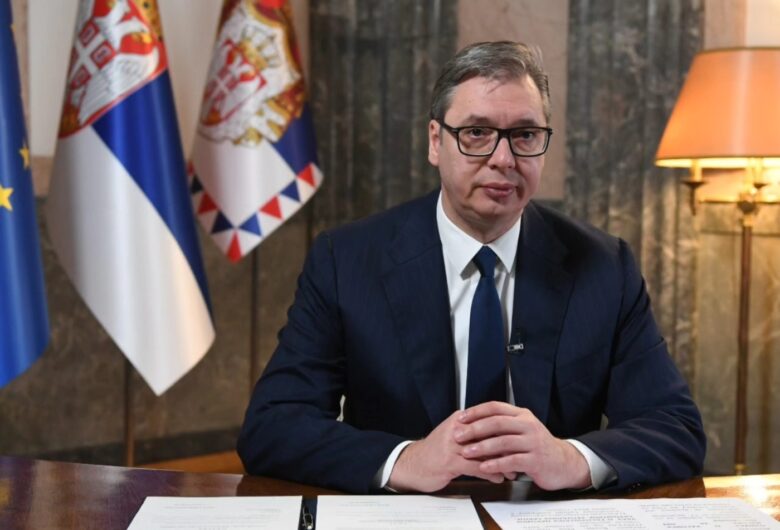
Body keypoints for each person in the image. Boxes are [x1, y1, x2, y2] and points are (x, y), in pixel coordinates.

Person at [237, 41, 706, 494]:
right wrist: (406, 460)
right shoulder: (347, 261)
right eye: (477, 133)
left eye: (524, 135)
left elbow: (675, 427)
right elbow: (273, 426)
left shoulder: (604, 267)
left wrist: (569, 458)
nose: (503, 159)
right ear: (435, 141)